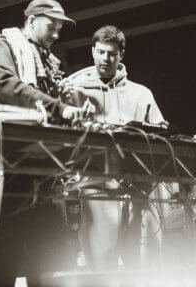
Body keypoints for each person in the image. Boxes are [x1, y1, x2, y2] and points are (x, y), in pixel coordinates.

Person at [0, 0, 93, 286]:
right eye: (51, 26)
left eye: (60, 29)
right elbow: (3, 84)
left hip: (46, 167)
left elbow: (50, 104)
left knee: (51, 251)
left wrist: (69, 100)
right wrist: (59, 107)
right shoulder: (3, 43)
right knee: (7, 248)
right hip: (14, 161)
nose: (56, 34)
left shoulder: (48, 59)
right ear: (32, 20)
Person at [65, 25, 169, 269]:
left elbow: (162, 140)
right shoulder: (75, 92)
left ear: (121, 54)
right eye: (101, 52)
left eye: (112, 54)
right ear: (92, 51)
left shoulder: (141, 94)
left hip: (139, 194)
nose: (105, 58)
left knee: (149, 271)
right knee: (102, 274)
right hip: (97, 193)